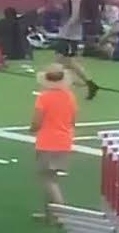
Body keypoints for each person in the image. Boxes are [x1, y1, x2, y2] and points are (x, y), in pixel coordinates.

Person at [29, 62, 79, 221]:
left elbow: (37, 121)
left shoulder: (44, 97)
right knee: (52, 178)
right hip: (64, 141)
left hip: (47, 142)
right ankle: (49, 213)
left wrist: (32, 129)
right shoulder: (69, 96)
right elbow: (73, 120)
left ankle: (62, 213)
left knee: (48, 180)